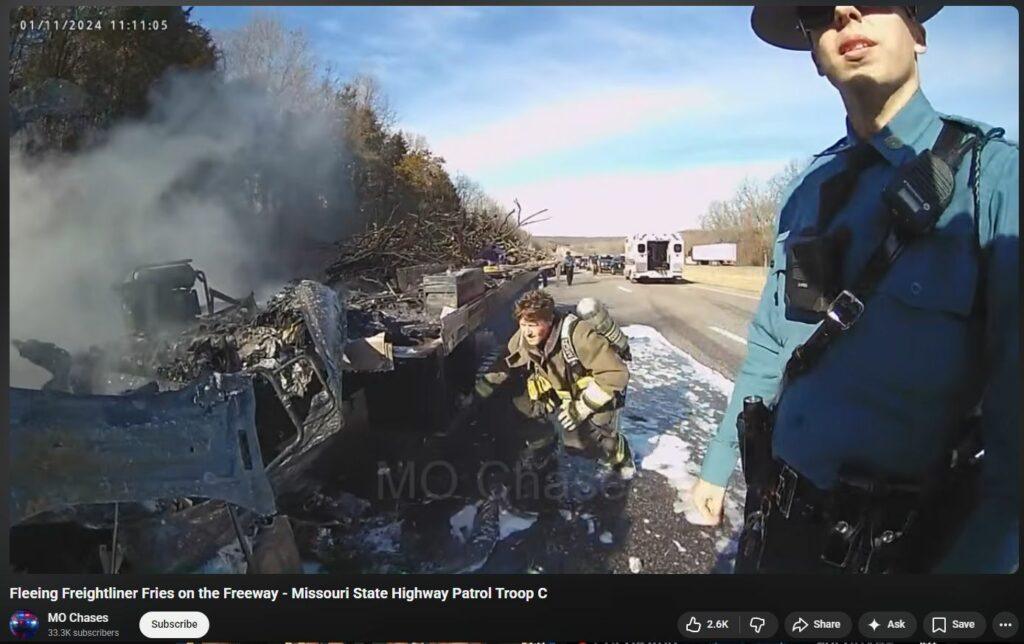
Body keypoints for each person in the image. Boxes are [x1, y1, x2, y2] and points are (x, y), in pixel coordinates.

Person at [690, 5, 1018, 573]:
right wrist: (718, 465)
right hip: (777, 526)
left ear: (918, 35)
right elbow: (773, 342)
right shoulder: (806, 190)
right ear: (816, 55)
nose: (844, 10)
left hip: (904, 555)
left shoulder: (994, 181)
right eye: (819, 9)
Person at [474, 290, 635, 484]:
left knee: (581, 442)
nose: (527, 331)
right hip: (560, 389)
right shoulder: (523, 338)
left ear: (549, 321)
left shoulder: (579, 336)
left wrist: (581, 408)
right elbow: (503, 365)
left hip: (595, 391)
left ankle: (618, 452)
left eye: (533, 325)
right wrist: (476, 396)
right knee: (519, 403)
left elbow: (616, 374)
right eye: (523, 324)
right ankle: (543, 444)